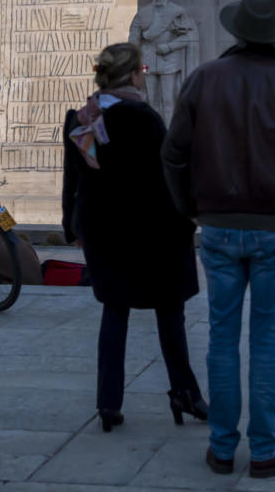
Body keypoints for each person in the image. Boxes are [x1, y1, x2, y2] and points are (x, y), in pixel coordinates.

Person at [161, 0, 275, 479]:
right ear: (274, 33)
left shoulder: (203, 79)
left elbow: (173, 154)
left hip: (218, 227)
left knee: (222, 337)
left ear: (237, 30)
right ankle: (264, 450)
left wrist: (190, 209)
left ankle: (222, 448)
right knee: (266, 340)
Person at [61, 42, 207, 433]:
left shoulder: (80, 118)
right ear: (132, 75)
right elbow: (167, 177)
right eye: (142, 67)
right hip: (152, 232)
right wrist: (189, 221)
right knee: (169, 312)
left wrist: (73, 228)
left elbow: (73, 182)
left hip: (104, 232)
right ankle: (185, 392)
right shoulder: (143, 117)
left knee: (115, 313)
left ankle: (108, 404)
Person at [128, 0, 198, 123]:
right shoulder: (143, 13)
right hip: (148, 60)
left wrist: (169, 47)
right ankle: (155, 131)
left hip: (169, 60)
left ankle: (168, 131)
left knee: (168, 100)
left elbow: (190, 37)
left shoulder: (177, 11)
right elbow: (134, 37)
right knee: (150, 100)